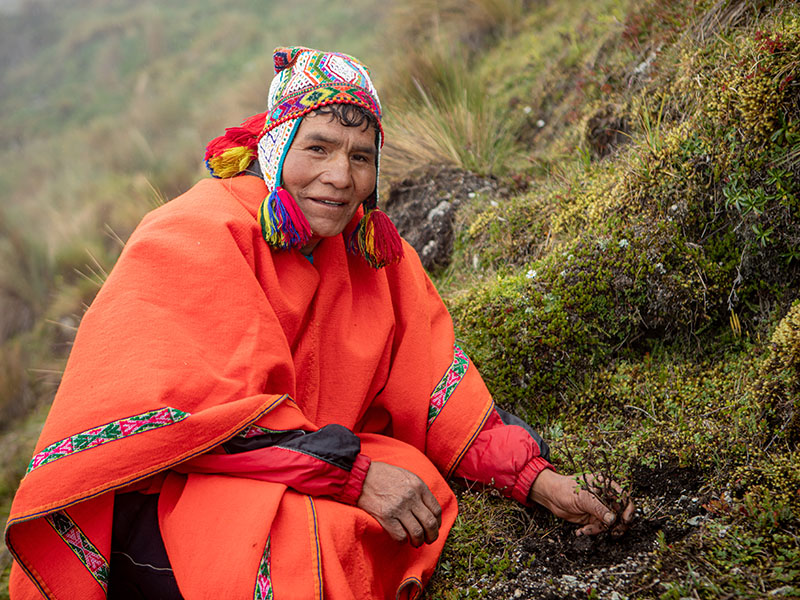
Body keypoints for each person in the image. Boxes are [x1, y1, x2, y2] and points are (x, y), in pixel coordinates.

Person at [4, 46, 634, 599]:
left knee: (409, 487)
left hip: (291, 466)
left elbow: (434, 390)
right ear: (275, 148)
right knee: (311, 543)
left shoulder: (369, 255)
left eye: (361, 156)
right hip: (166, 490)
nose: (340, 177)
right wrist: (355, 476)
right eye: (318, 148)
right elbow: (204, 421)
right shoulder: (194, 233)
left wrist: (537, 480)